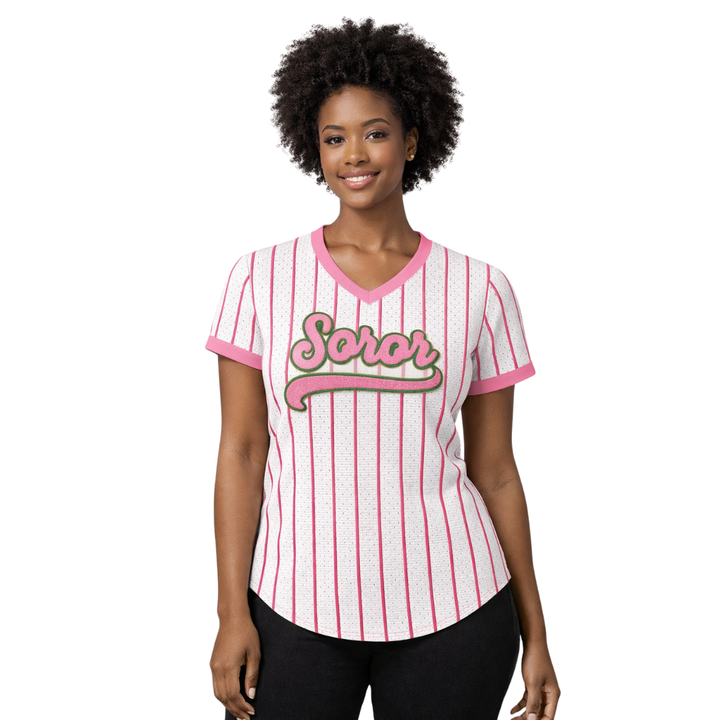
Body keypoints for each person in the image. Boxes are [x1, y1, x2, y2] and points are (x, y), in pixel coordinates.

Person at [206, 17, 560, 720]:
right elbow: (242, 451)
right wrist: (229, 613)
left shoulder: (478, 288)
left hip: (457, 605)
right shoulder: (261, 279)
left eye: (375, 132)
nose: (354, 155)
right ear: (314, 148)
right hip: (291, 603)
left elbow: (495, 471)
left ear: (413, 140)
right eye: (334, 138)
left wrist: (538, 633)